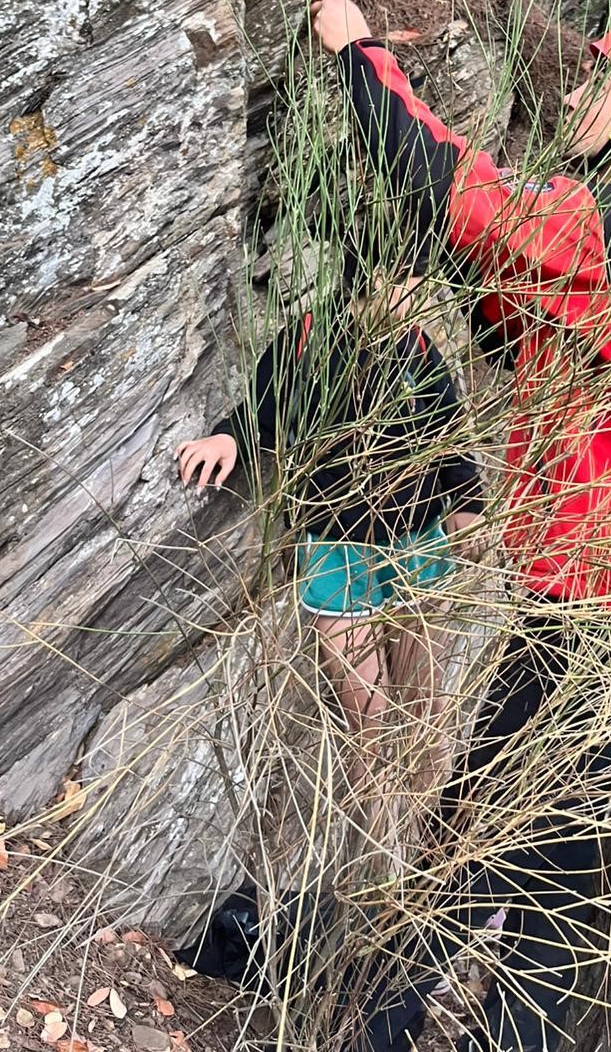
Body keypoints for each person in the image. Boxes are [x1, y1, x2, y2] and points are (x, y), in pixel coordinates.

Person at [296, 0, 611, 1052]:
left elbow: (459, 192)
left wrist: (361, 56)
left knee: (499, 858)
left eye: (603, 84)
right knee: (531, 866)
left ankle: (375, 1030)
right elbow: (510, 325)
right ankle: (391, 1026)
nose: (578, 98)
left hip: (595, 620)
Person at [175, 241, 484, 797]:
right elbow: (262, 408)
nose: (421, 294)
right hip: (335, 550)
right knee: (369, 722)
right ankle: (380, 835)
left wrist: (468, 508)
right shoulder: (309, 339)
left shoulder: (417, 345)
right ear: (374, 278)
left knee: (427, 709)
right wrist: (227, 438)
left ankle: (426, 831)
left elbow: (450, 436)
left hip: (419, 543)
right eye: (409, 281)